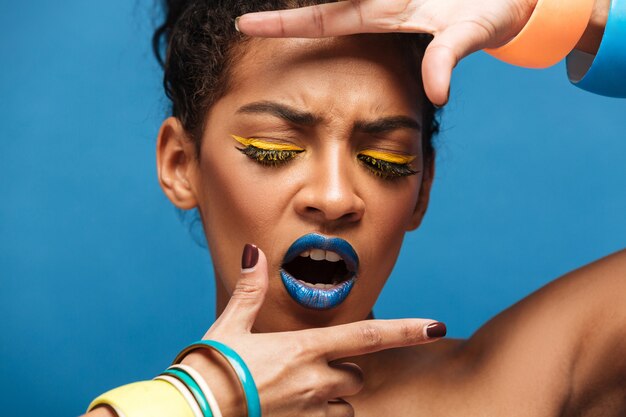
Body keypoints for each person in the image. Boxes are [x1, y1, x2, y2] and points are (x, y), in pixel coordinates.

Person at [84, 0, 626, 416]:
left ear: (424, 188)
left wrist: (571, 15)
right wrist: (206, 398)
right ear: (181, 163)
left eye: (385, 159)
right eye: (275, 149)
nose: (336, 198)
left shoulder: (521, 386)